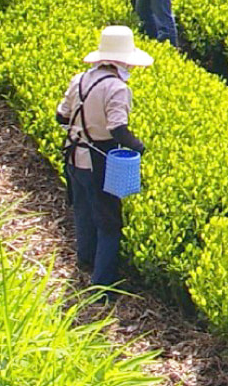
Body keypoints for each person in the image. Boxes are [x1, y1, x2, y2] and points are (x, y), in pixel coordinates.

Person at [54, 25, 152, 291]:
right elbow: (117, 129)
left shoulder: (80, 79)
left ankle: (85, 261)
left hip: (74, 156)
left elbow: (61, 116)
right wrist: (141, 148)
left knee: (83, 211)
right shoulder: (117, 88)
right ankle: (103, 285)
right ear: (122, 60)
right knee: (109, 223)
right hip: (100, 160)